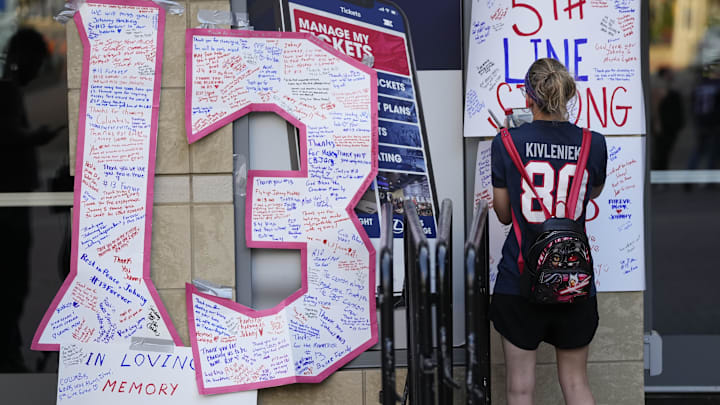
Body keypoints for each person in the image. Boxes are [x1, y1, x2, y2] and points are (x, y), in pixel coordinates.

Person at [490, 58, 607, 405]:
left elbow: (502, 215)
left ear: (528, 97)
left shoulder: (506, 141)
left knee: (520, 389)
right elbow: (592, 192)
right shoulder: (593, 143)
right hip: (574, 280)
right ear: (568, 95)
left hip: (518, 279)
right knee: (576, 384)